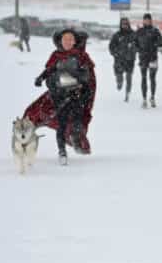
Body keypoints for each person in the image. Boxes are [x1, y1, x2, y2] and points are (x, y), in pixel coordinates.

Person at [35, 29, 96, 165]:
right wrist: (40, 78)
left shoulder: (81, 56)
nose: (67, 42)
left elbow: (87, 76)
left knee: (76, 123)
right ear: (60, 41)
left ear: (74, 41)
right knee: (61, 124)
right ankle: (62, 152)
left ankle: (76, 140)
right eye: (65, 39)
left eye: (70, 39)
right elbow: (49, 70)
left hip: (77, 96)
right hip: (60, 96)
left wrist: (79, 83)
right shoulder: (56, 55)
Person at [135, 13, 162, 108]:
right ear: (143, 21)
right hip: (143, 58)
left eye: (148, 20)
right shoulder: (139, 31)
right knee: (143, 78)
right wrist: (139, 49)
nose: (147, 21)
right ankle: (144, 99)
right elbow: (134, 43)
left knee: (152, 78)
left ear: (151, 21)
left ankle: (152, 98)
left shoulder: (155, 31)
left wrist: (155, 44)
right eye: (145, 20)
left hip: (153, 58)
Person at [108, 17, 137, 103]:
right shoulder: (117, 35)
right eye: (123, 24)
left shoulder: (133, 34)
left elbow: (138, 45)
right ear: (121, 25)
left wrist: (133, 49)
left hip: (130, 59)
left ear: (128, 24)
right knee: (119, 76)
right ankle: (119, 82)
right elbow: (111, 46)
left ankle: (127, 93)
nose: (124, 25)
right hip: (119, 59)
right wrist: (115, 54)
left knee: (129, 77)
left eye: (126, 23)